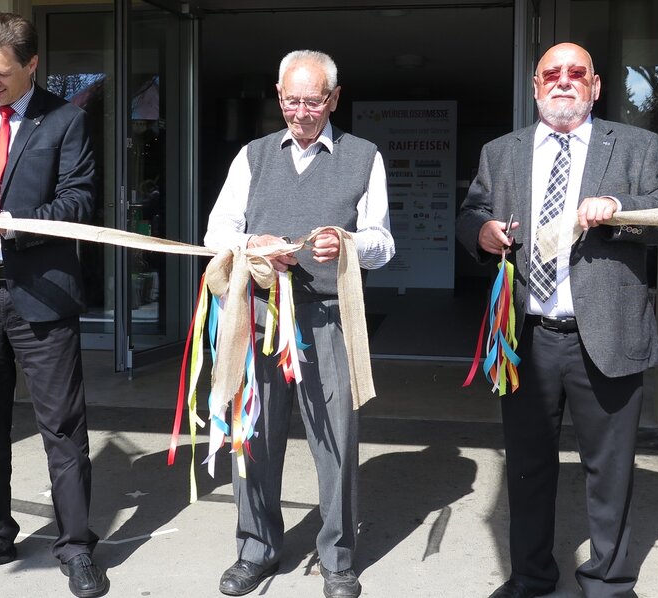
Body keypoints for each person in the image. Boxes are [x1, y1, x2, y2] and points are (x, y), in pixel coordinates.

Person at [456, 43, 658, 598]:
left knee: (610, 472)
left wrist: (620, 208)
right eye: (551, 74)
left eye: (575, 73)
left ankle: (609, 583)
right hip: (526, 338)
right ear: (535, 87)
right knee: (528, 470)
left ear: (595, 86)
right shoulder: (501, 152)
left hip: (605, 336)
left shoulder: (635, 145)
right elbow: (472, 212)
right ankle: (531, 579)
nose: (563, 82)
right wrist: (482, 234)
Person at [204, 50, 395, 598]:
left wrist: (349, 244)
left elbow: (383, 241)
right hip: (261, 317)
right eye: (291, 101)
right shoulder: (253, 156)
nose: (302, 112)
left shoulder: (364, 156)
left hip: (330, 319)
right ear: (279, 95)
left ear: (334, 99)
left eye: (313, 102)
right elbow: (218, 231)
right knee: (256, 436)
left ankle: (337, 558)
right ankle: (256, 550)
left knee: (336, 440)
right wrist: (251, 243)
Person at [0, 12, 108, 598]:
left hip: (42, 296)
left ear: (32, 65)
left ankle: (77, 546)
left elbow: (79, 203)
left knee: (61, 427)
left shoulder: (64, 121)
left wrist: (12, 225)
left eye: (2, 74)